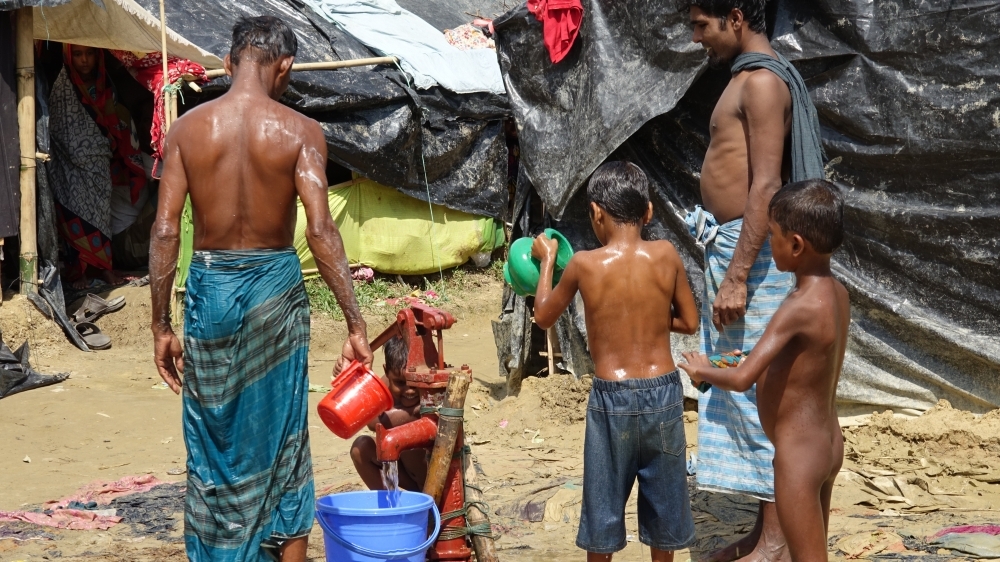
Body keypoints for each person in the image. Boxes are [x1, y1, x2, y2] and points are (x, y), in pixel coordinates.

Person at [149, 16, 373, 562]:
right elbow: (321, 230)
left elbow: (164, 230)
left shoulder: (187, 131)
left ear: (228, 64)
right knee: (284, 436)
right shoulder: (301, 132)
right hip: (276, 290)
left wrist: (159, 325)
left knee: (212, 435)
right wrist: (355, 323)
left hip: (213, 291)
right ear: (286, 67)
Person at [684, 1, 826, 559]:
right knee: (745, 385)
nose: (697, 38)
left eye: (702, 25)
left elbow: (766, 184)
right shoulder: (745, 80)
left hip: (755, 259)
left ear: (735, 16)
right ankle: (767, 529)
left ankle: (774, 539)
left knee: (765, 390)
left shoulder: (763, 83)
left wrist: (739, 274)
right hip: (737, 249)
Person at [531, 161, 700, 562]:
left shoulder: (584, 264)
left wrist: (547, 261)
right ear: (649, 212)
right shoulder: (666, 254)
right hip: (663, 391)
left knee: (603, 514)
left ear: (596, 213)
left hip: (611, 401)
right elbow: (690, 322)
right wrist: (652, 321)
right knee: (664, 510)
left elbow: (542, 316)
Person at [680, 179, 847, 562]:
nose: (767, 245)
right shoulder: (837, 294)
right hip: (828, 443)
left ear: (796, 245)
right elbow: (800, 361)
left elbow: (742, 379)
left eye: (772, 235)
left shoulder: (798, 305)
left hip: (798, 456)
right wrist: (736, 361)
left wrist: (704, 372)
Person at [48, 44, 150, 288]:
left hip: (100, 163)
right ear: (69, 57)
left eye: (90, 54)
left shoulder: (104, 85)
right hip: (68, 164)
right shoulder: (62, 85)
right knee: (72, 216)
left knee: (102, 217)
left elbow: (117, 119)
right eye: (78, 54)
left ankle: (104, 269)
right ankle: (78, 273)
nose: (84, 60)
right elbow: (58, 124)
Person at [350, 336, 428, 491]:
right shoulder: (387, 382)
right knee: (361, 448)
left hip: (434, 477)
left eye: (414, 383)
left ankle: (430, 499)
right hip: (407, 476)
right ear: (387, 371)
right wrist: (419, 410)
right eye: (400, 383)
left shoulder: (432, 383)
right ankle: (390, 508)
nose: (410, 390)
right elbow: (373, 422)